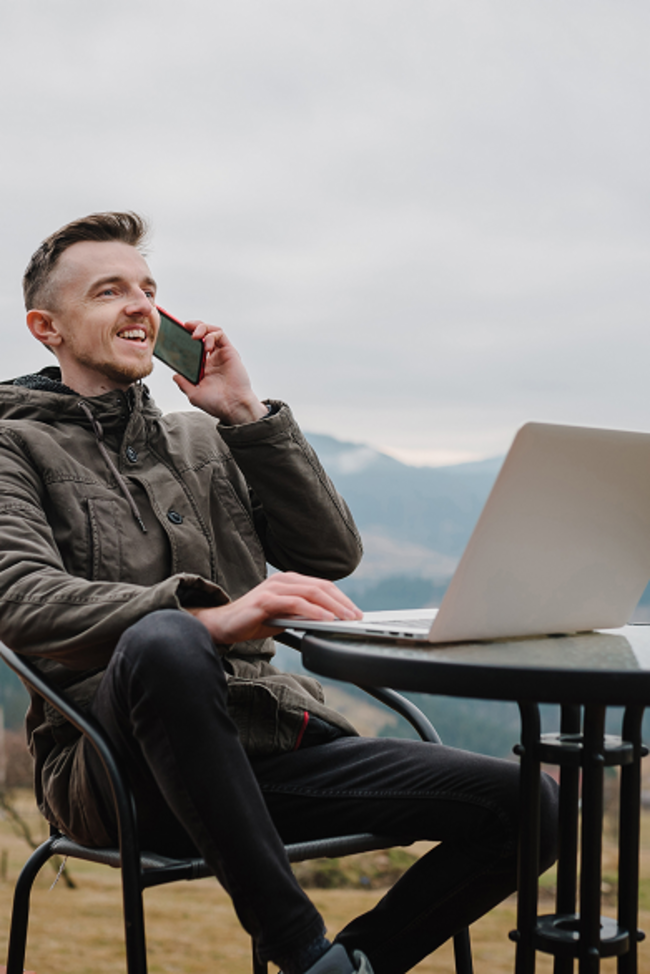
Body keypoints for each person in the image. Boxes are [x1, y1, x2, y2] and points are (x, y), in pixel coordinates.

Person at [0, 212, 558, 974]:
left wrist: (245, 417)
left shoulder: (204, 438)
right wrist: (207, 614)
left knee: (530, 805)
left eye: (149, 289)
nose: (141, 306)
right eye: (109, 291)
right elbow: (19, 598)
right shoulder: (11, 443)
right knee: (167, 640)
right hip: (118, 775)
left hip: (266, 746)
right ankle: (300, 951)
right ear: (47, 327)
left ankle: (352, 964)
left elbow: (331, 552)